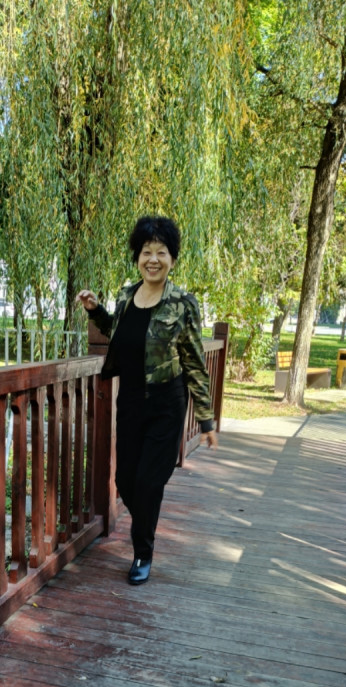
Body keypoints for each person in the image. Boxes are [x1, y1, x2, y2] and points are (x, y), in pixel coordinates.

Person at [76, 215, 218, 586]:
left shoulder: (183, 303)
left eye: (161, 252)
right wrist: (96, 311)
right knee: (125, 479)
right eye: (146, 252)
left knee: (149, 482)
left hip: (166, 403)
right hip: (130, 403)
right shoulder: (126, 295)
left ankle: (143, 551)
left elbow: (194, 362)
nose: (153, 259)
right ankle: (145, 530)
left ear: (172, 259)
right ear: (137, 257)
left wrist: (206, 419)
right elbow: (120, 331)